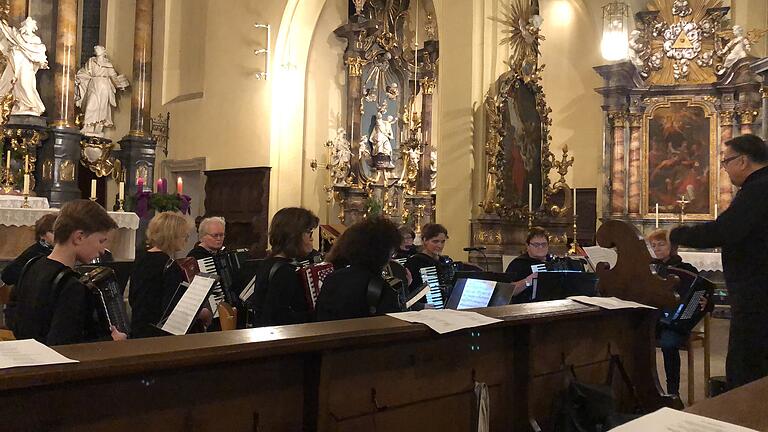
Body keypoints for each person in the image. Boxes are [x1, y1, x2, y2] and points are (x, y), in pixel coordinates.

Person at [670, 134, 768, 389]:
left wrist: (676, 234)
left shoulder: (758, 189)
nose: (724, 168)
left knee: (748, 368)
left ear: (743, 161)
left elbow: (724, 231)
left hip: (757, 293)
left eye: (726, 162)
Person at [11, 200, 125, 345]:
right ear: (79, 237)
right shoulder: (71, 285)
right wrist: (111, 341)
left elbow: (19, 327)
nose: (103, 250)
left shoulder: (32, 265)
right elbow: (65, 347)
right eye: (101, 241)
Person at [129, 212, 210, 338]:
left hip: (138, 328)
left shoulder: (141, 258)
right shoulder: (170, 266)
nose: (186, 239)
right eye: (184, 235)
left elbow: (132, 298)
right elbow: (173, 311)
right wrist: (200, 313)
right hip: (159, 336)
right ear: (173, 236)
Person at [647, 229, 705, 396]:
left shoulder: (687, 269)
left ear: (672, 246)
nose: (657, 248)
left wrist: (705, 302)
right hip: (652, 320)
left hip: (676, 323)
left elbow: (700, 294)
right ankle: (646, 389)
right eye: (653, 245)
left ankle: (673, 392)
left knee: (668, 344)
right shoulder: (649, 269)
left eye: (661, 244)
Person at [315, 217, 404, 321]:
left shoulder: (333, 278)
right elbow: (394, 326)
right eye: (392, 252)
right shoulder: (383, 287)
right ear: (385, 252)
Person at [250, 207, 318, 327]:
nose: (311, 238)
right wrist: (317, 314)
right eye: (309, 232)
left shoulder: (267, 262)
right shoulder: (285, 272)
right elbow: (280, 318)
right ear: (294, 235)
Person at [75, 45, 129, 137]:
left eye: (98, 48)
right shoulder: (91, 61)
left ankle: (98, 127)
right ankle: (88, 126)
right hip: (94, 84)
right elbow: (84, 72)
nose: (96, 50)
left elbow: (114, 77)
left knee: (102, 108)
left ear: (104, 51)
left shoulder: (108, 65)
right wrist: (79, 79)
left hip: (104, 86)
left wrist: (120, 85)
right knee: (91, 105)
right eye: (95, 49)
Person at [0, 17, 48, 116]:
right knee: (18, 85)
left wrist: (42, 61)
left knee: (25, 83)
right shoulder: (18, 37)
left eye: (29, 25)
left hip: (27, 67)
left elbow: (39, 51)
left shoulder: (35, 39)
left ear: (33, 27)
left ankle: (31, 105)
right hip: (18, 66)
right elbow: (9, 31)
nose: (26, 27)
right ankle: (22, 105)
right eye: (25, 25)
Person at [1, 213, 56, 286]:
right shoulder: (35, 253)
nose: (58, 235)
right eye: (53, 232)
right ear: (42, 235)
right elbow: (7, 275)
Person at [404, 223, 453, 296]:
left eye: (443, 241)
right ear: (425, 240)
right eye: (435, 241)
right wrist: (421, 305)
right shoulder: (414, 262)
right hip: (425, 305)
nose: (440, 245)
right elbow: (407, 292)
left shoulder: (443, 261)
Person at [505, 227, 552, 301]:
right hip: (524, 307)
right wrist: (528, 280)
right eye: (536, 244)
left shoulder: (553, 262)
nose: (540, 247)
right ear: (527, 246)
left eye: (544, 244)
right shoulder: (518, 263)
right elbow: (507, 291)